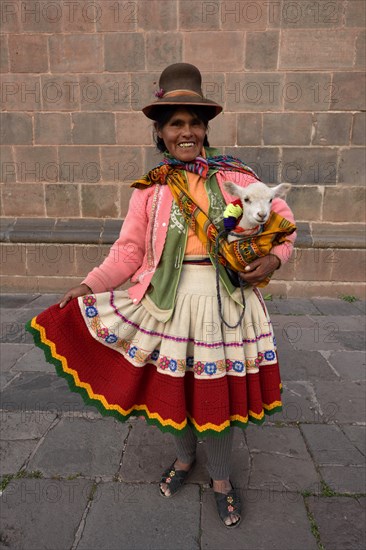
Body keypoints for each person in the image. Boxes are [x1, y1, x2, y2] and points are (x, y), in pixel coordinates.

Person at [26, 63, 296, 528]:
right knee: (179, 387)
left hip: (225, 301)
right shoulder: (150, 192)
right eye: (176, 123)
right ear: (160, 132)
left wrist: (273, 261)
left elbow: (284, 226)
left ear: (206, 129)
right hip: (168, 302)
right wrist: (90, 285)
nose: (186, 131)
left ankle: (220, 479)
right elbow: (128, 250)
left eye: (194, 122)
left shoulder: (239, 178)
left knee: (217, 392)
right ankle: (185, 459)